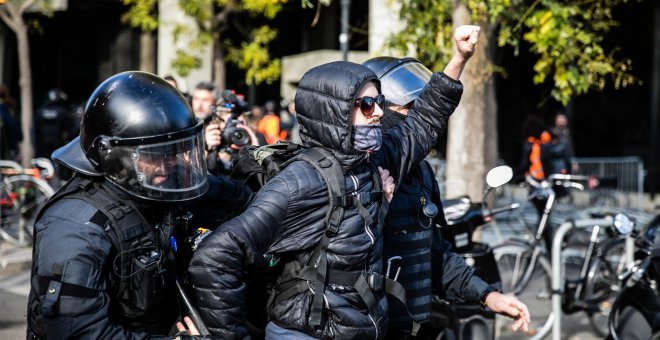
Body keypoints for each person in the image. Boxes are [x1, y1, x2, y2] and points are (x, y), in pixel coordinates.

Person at [188, 25, 527, 339]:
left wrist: (459, 58)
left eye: (379, 102)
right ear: (334, 113)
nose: (378, 112)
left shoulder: (374, 163)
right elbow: (216, 257)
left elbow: (426, 119)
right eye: (366, 105)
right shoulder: (302, 180)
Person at [26, 71, 253, 339]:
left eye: (174, 152)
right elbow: (80, 333)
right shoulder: (73, 227)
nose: (169, 164)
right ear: (112, 156)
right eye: (156, 155)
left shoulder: (160, 182)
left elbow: (242, 200)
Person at [363, 57, 530, 338]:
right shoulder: (356, 176)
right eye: (410, 110)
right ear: (380, 113)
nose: (418, 120)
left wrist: (488, 296)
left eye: (420, 110)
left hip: (413, 326)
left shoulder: (422, 173)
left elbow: (433, 254)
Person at [32, 89, 70, 160]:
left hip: (42, 145)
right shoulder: (62, 112)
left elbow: (35, 128)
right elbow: (68, 127)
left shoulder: (40, 111)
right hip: (57, 145)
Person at [0, 83, 23, 161]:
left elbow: (12, 124)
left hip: (6, 146)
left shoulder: (4, 107)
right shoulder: (9, 106)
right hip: (11, 146)